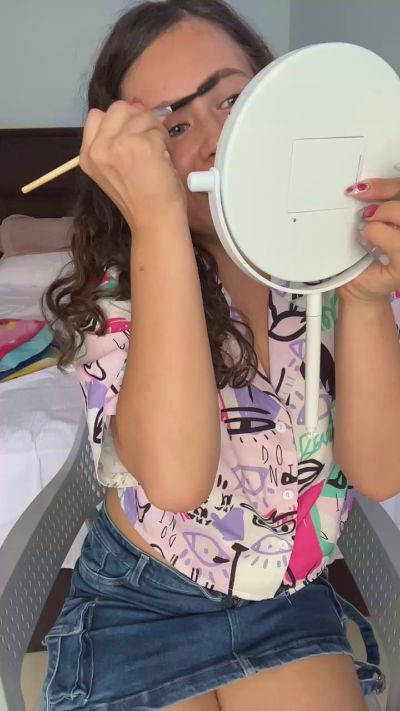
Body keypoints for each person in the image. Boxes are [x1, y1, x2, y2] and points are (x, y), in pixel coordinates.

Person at [41, 1, 400, 708]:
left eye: (232, 99)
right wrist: (157, 218)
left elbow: (382, 470)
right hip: (141, 605)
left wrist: (363, 300)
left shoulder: (331, 266)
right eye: (173, 127)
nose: (216, 142)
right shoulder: (118, 297)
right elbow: (177, 481)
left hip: (289, 601)